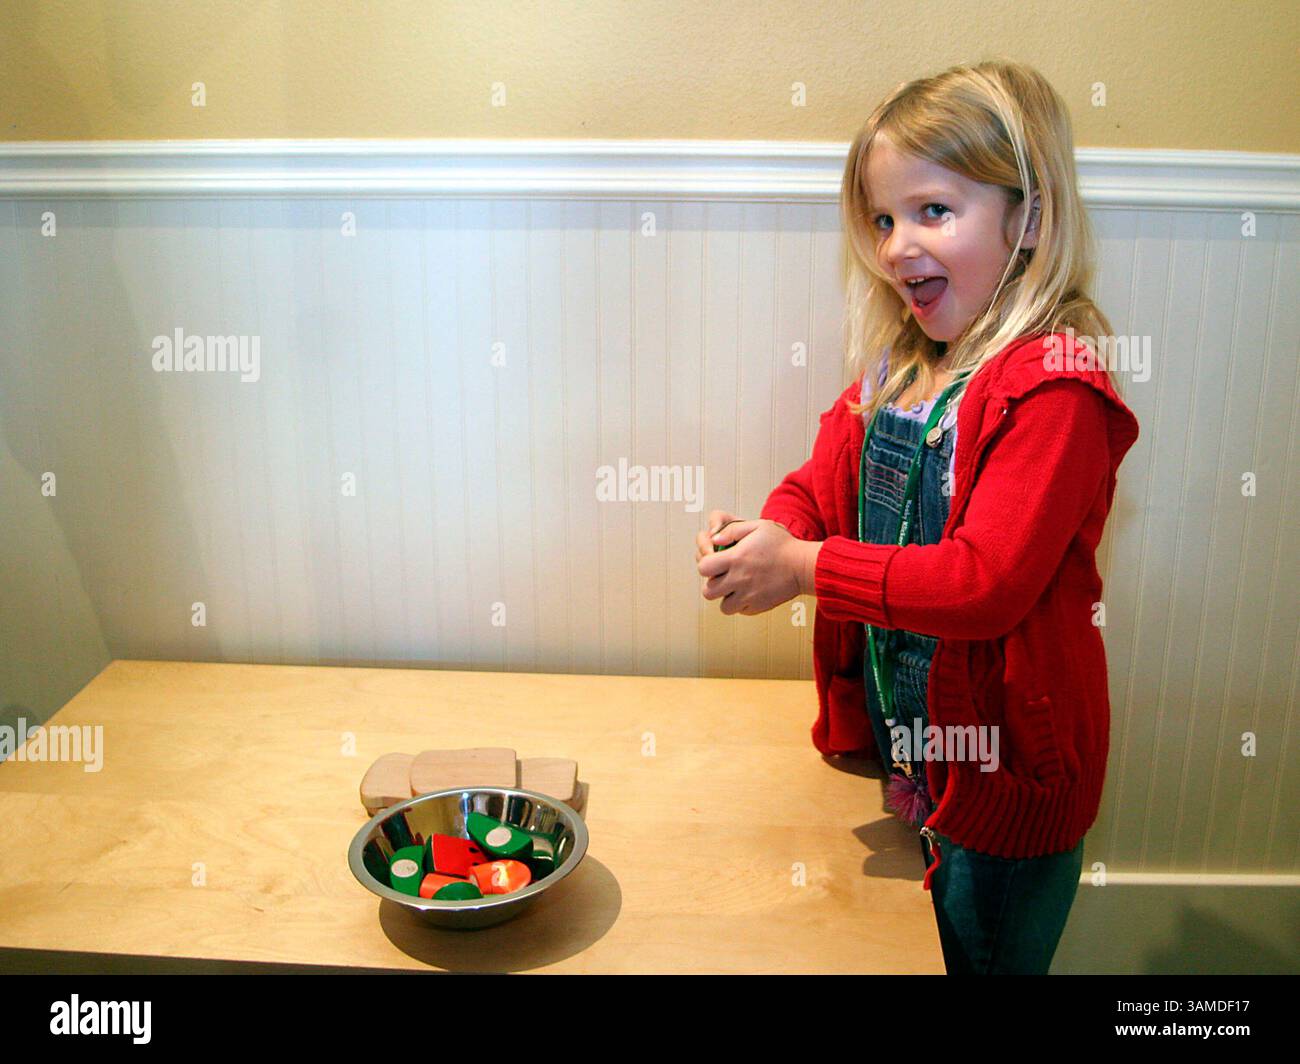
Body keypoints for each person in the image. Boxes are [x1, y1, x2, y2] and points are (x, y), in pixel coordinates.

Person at [694, 60, 1141, 974]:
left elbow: (984, 583)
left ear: (1031, 222)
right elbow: (820, 486)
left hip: (1004, 782)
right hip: (912, 755)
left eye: (934, 211)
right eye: (884, 219)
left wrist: (807, 568)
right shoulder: (903, 367)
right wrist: (767, 536)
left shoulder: (1056, 388)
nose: (898, 246)